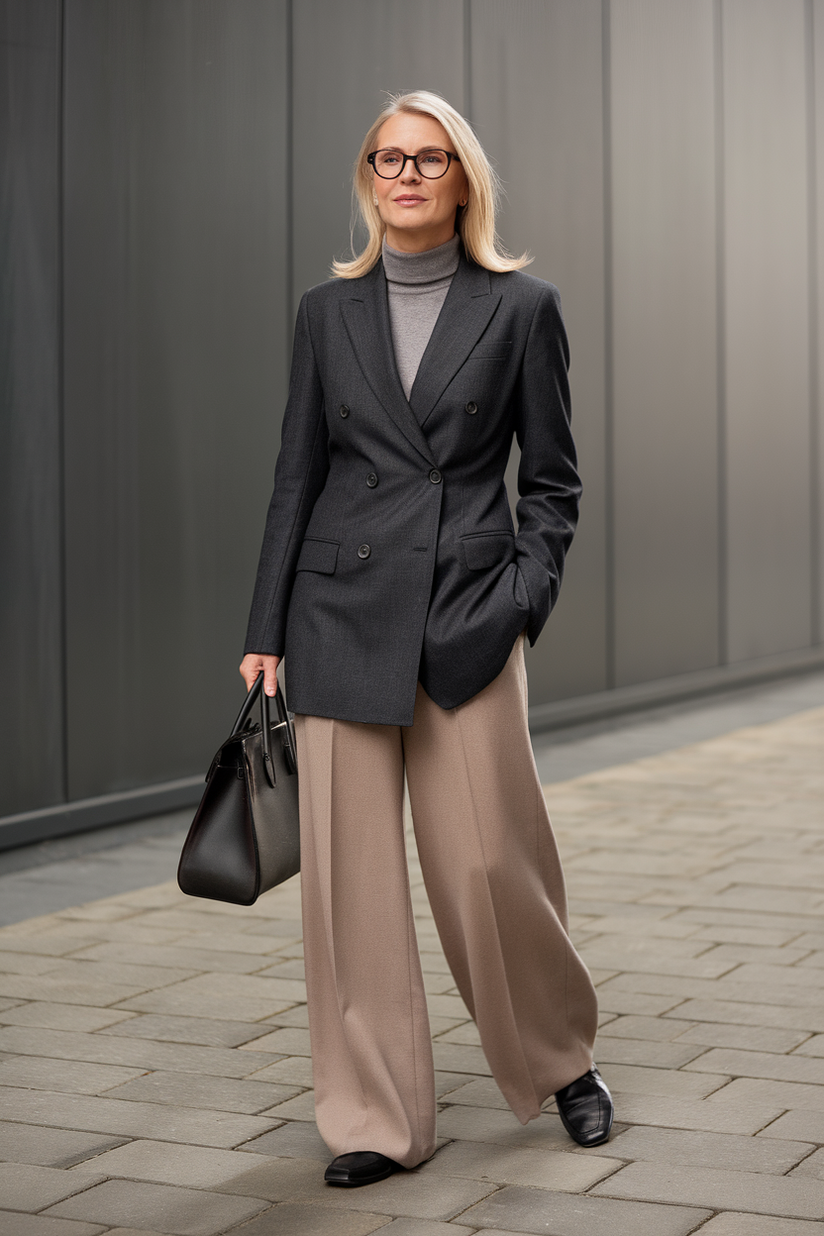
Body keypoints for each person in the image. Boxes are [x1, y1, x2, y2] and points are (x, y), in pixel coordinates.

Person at [240, 90, 613, 1188]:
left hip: (464, 615)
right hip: (338, 613)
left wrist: (519, 599)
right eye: (387, 158)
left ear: (462, 180)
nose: (404, 175)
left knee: (493, 864)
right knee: (349, 889)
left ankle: (559, 1060)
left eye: (428, 158)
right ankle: (373, 1118)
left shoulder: (519, 307)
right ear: (368, 176)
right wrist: (265, 625)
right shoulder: (324, 313)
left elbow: (551, 485)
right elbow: (294, 475)